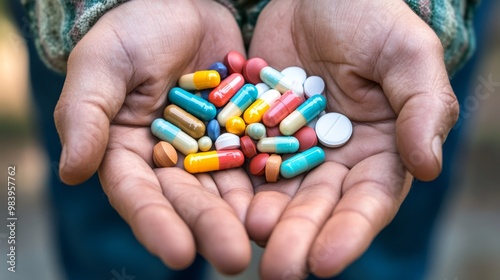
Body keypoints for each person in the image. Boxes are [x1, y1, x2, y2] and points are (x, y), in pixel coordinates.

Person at [16, 0, 477, 279]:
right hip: (108, 40)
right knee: (118, 243)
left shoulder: (261, 113)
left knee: (373, 248)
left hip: (386, 45)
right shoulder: (223, 113)